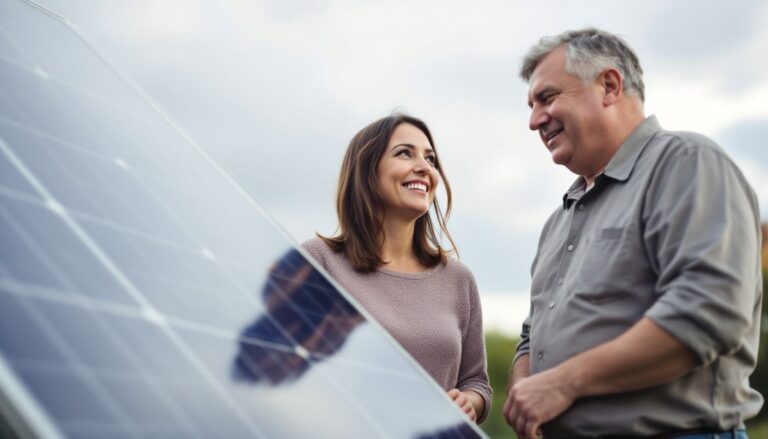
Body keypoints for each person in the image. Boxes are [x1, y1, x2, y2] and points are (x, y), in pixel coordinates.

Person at [503, 28, 763, 439]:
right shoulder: (558, 220)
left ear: (609, 86)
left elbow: (709, 311)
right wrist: (524, 391)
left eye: (547, 98)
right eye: (532, 105)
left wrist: (563, 382)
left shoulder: (686, 163)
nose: (534, 119)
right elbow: (531, 334)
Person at [302, 113, 491, 423]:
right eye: (405, 153)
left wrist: (469, 402)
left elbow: (477, 383)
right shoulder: (318, 261)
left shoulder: (458, 279)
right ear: (366, 171)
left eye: (430, 159)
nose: (425, 167)